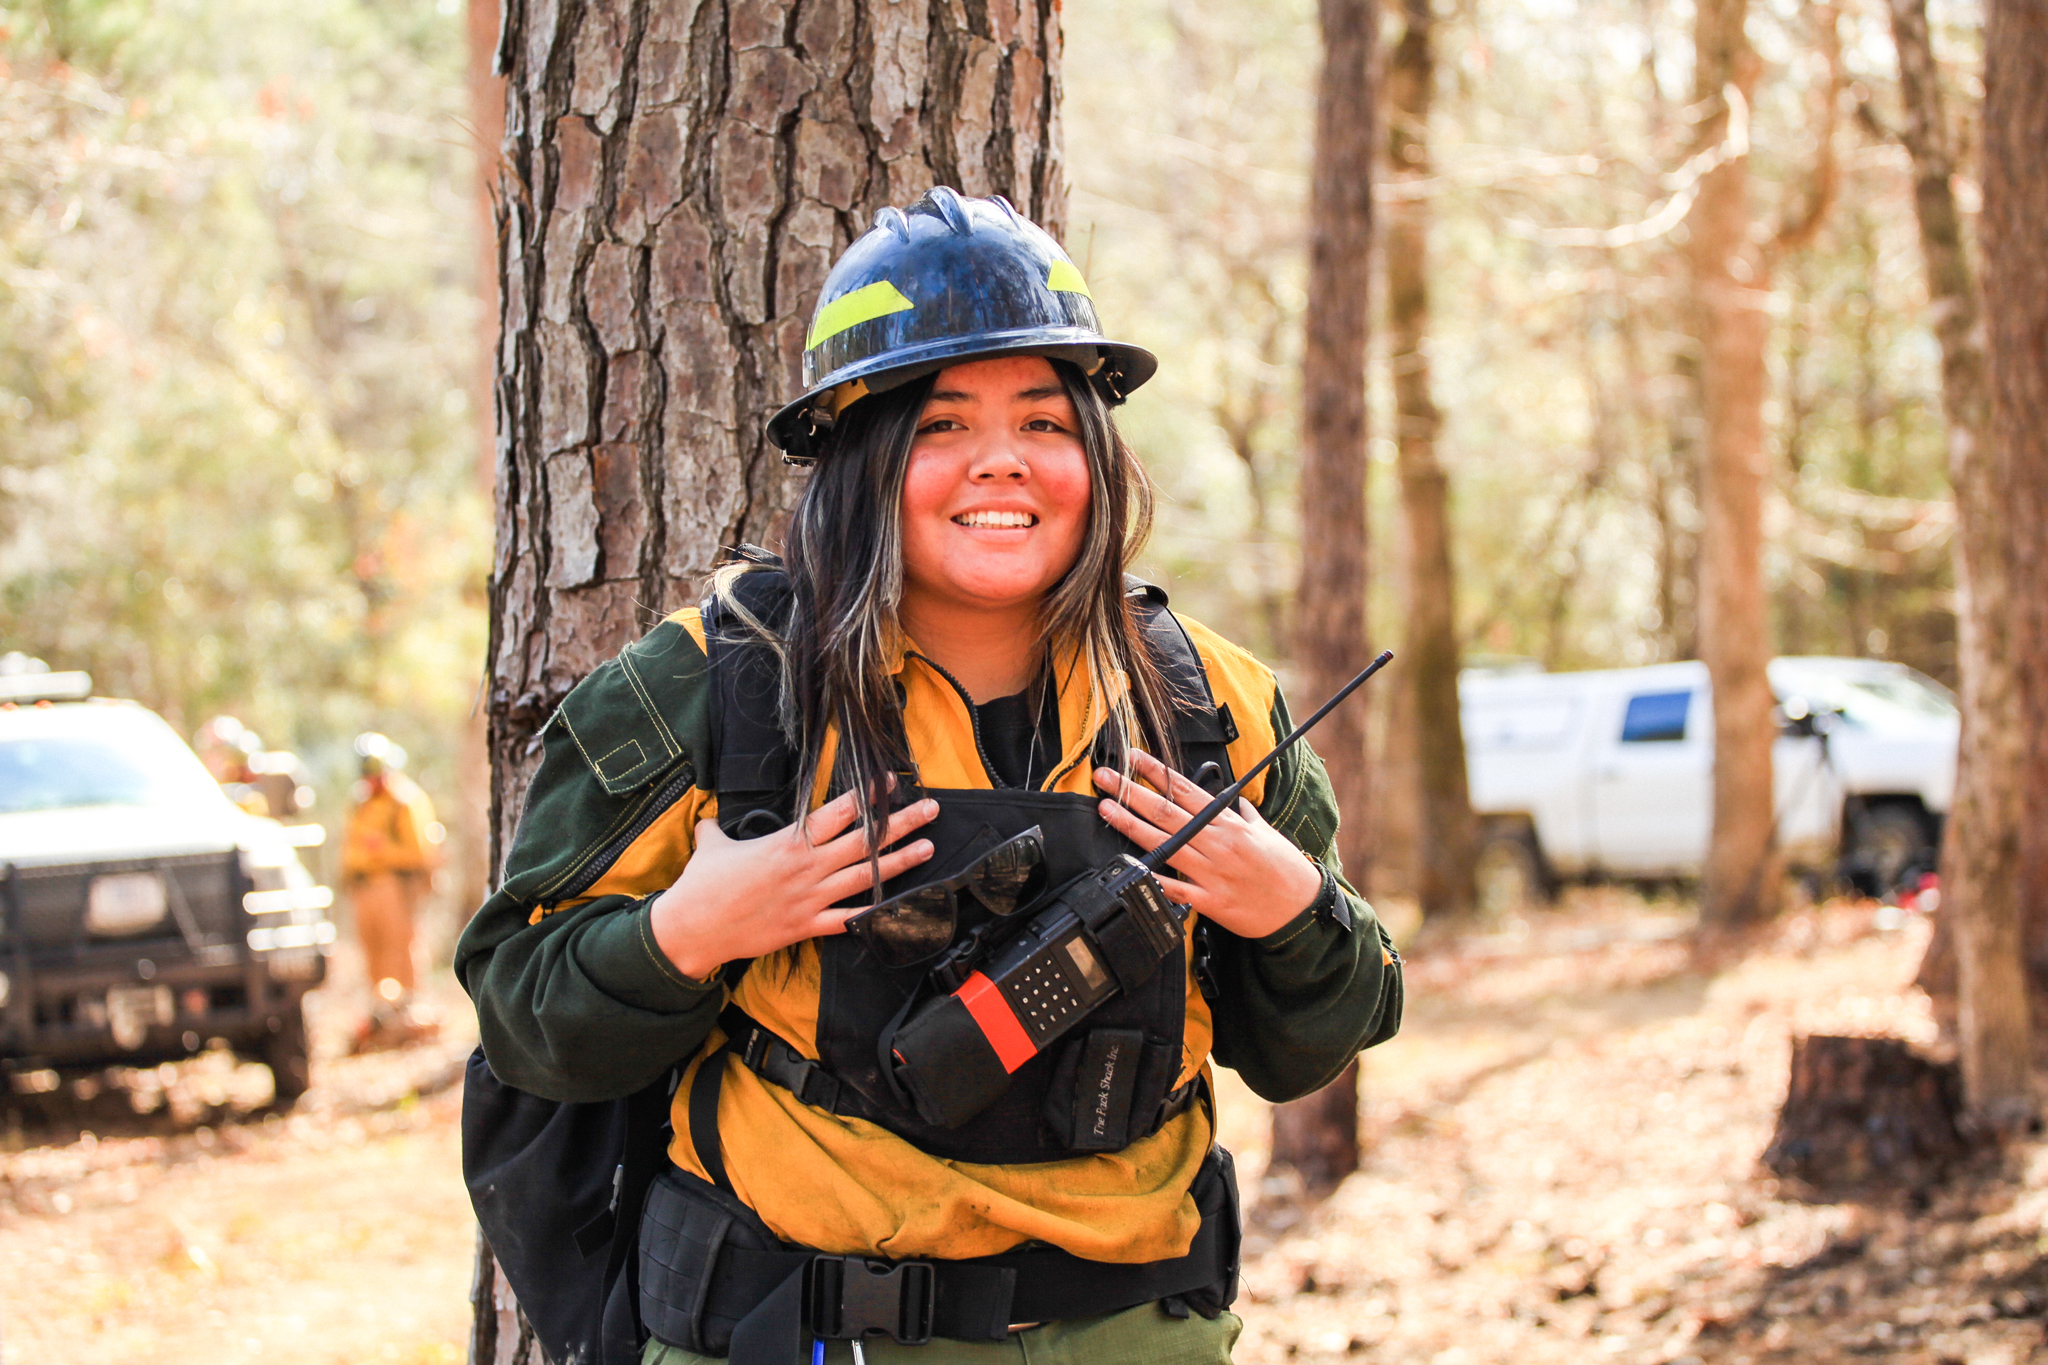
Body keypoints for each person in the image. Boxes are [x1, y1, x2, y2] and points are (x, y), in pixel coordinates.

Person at [457, 187, 1402, 1364]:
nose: (999, 463)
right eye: (942, 424)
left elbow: (1319, 1037)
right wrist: (687, 934)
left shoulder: (1212, 702)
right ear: (859, 454)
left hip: (1132, 1333)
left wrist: (1295, 914)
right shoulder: (712, 690)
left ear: (1097, 455)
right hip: (789, 1332)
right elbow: (519, 1011)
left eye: (1047, 424)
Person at [343, 732, 442, 1050]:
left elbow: (421, 852)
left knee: (401, 949)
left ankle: (412, 1012)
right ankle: (380, 1015)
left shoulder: (405, 801)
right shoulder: (360, 803)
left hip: (393, 885)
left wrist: (381, 851)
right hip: (364, 886)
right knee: (372, 953)